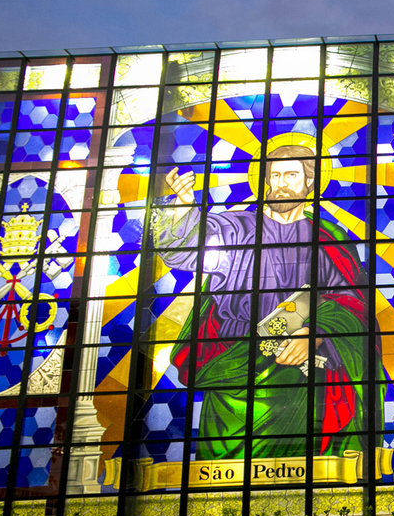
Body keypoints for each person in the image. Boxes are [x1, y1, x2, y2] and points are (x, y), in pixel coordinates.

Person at [156, 143, 375, 461]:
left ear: (310, 182)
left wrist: (316, 333)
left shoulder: (330, 240)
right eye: (274, 175)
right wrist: (183, 207)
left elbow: (352, 304)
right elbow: (181, 251)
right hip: (235, 365)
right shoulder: (235, 229)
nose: (281, 183)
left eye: (291, 175)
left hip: (301, 373)